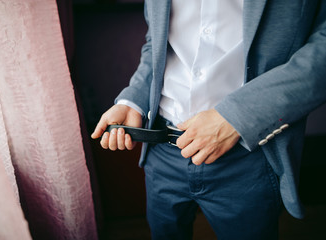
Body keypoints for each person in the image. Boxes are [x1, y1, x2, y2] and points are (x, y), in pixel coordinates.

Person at [91, 1, 326, 239]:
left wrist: (237, 117)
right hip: (161, 152)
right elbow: (157, 43)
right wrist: (132, 101)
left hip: (247, 158)